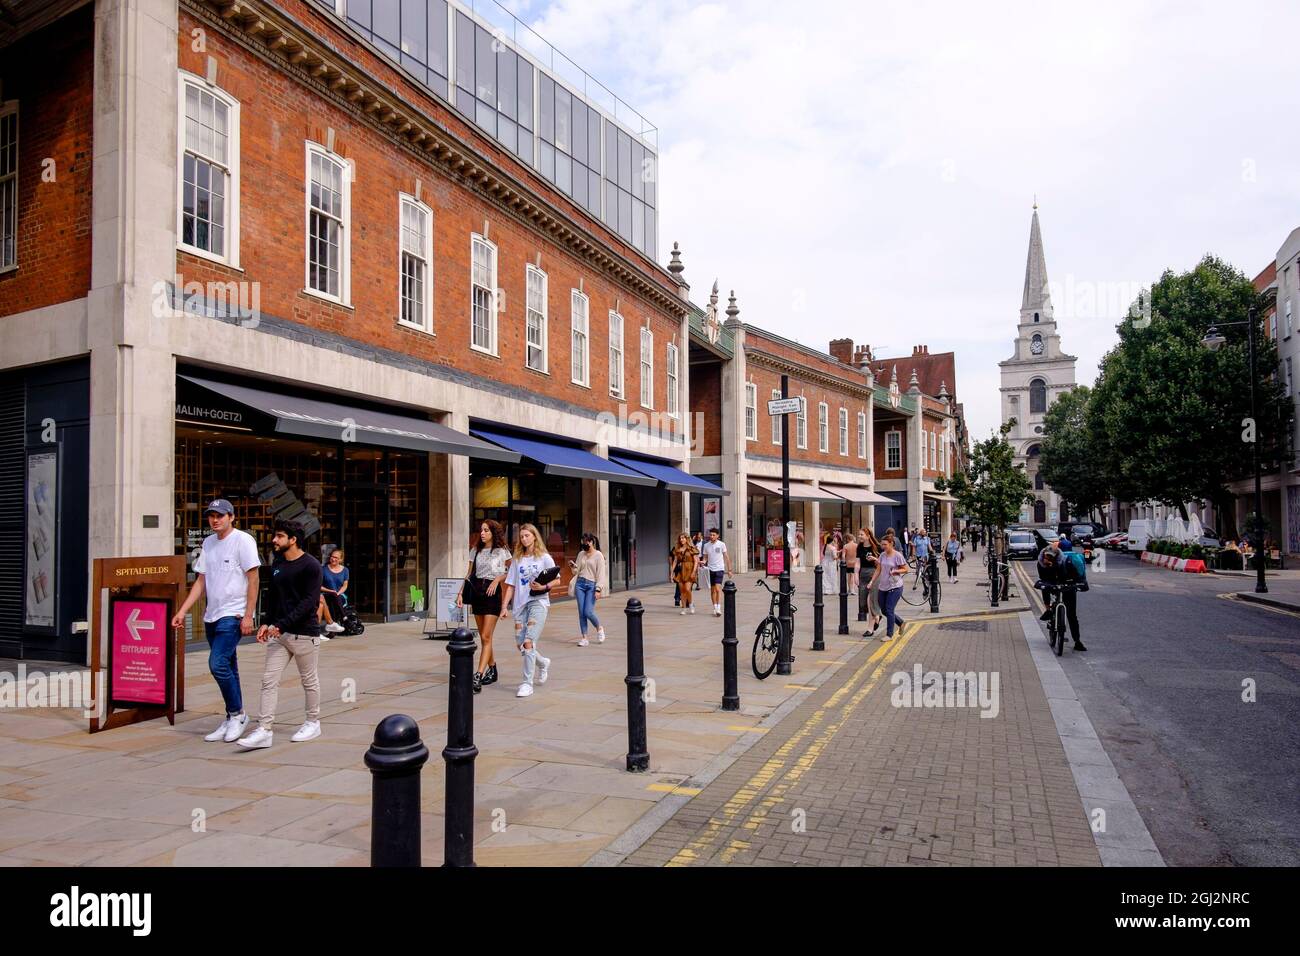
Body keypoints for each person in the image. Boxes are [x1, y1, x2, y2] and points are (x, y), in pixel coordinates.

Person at [172, 499, 260, 744]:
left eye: (220, 515)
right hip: (212, 614)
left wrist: (248, 615)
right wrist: (183, 611)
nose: (215, 520)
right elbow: (201, 581)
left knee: (217, 663)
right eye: (211, 515)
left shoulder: (243, 541)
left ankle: (237, 714)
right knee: (229, 666)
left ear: (231, 517)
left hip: (232, 614)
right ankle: (233, 716)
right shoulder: (208, 543)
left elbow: (253, 580)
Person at [237, 518, 323, 748]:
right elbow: (273, 598)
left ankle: (313, 722)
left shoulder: (311, 566)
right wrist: (266, 623)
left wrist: (281, 624)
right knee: (268, 681)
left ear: (293, 540)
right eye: (275, 535)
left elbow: (308, 602)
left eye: (280, 536)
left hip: (304, 634)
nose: (274, 540)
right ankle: (264, 729)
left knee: (309, 681)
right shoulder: (277, 563)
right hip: (279, 635)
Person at [501, 523, 558, 698]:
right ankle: (542, 663)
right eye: (522, 536)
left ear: (534, 536)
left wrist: (544, 586)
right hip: (520, 606)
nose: (524, 539)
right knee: (521, 645)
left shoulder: (544, 557)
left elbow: (557, 579)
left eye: (527, 535)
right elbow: (510, 585)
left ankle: (527, 683)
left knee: (528, 641)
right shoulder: (517, 559)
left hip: (538, 603)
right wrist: (504, 606)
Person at [456, 520, 511, 694]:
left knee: (486, 636)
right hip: (477, 592)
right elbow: (469, 574)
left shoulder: (503, 552)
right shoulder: (476, 550)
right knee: (484, 637)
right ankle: (492, 668)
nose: (482, 533)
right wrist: (459, 593)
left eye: (486, 530)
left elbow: (511, 571)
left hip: (492, 594)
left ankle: (478, 675)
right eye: (481, 530)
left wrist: (497, 579)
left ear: (493, 532)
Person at [1036, 533, 1087, 652]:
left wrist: (1075, 584)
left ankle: (1077, 641)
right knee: (1045, 587)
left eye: (1050, 558)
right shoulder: (1041, 564)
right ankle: (1049, 610)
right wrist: (1047, 569)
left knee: (1071, 614)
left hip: (1067, 582)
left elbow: (1074, 578)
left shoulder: (1065, 562)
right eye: (1046, 558)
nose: (1047, 560)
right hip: (1051, 581)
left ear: (1056, 557)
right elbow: (1043, 579)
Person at [868, 528, 909, 641]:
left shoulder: (897, 556)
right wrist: (872, 582)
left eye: (885, 544)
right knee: (884, 610)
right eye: (882, 544)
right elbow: (878, 570)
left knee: (889, 609)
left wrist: (896, 571)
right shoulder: (882, 555)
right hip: (883, 586)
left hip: (895, 587)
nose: (883, 546)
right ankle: (900, 622)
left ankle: (889, 635)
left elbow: (906, 569)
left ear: (891, 544)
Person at [571, 532, 606, 645]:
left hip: (591, 585)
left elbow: (601, 574)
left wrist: (598, 589)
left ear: (591, 542)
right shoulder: (581, 554)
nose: (584, 545)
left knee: (588, 611)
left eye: (586, 542)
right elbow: (576, 571)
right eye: (583, 542)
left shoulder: (598, 555)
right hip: (580, 584)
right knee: (581, 613)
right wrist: (573, 567)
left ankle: (599, 628)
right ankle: (584, 638)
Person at [701, 526, 732, 616]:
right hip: (710, 569)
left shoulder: (722, 544)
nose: (711, 536)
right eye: (710, 535)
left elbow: (726, 557)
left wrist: (729, 570)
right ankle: (714, 607)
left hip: (719, 569)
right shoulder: (706, 545)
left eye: (713, 535)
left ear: (717, 536)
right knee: (712, 590)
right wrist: (703, 562)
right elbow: (705, 558)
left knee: (718, 589)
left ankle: (718, 608)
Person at [859, 528, 884, 635]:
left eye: (861, 534)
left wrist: (874, 558)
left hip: (875, 573)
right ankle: (877, 616)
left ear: (868, 536)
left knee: (871, 602)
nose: (859, 536)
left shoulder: (877, 547)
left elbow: (882, 564)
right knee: (863, 602)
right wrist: (855, 575)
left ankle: (870, 629)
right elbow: (857, 562)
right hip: (863, 574)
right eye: (859, 534)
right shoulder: (859, 547)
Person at [320, 548, 349, 636]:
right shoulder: (323, 569)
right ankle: (344, 617)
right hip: (326, 594)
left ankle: (332, 630)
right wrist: (331, 591)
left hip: (340, 595)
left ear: (341, 559)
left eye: (336, 557)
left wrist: (338, 592)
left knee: (335, 598)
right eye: (332, 557)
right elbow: (319, 586)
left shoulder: (345, 570)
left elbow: (345, 585)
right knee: (333, 596)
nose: (333, 559)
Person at [670, 532, 700, 615]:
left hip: (689, 569)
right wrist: (671, 572)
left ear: (687, 539)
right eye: (680, 538)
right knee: (682, 591)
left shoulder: (692, 548)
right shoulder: (678, 548)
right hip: (680, 570)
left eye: (683, 538)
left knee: (687, 589)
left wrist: (694, 572)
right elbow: (675, 561)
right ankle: (683, 608)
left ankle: (690, 604)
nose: (681, 540)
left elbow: (696, 561)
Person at [842, 531, 858, 597]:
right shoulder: (857, 546)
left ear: (847, 539)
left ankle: (849, 589)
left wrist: (843, 562)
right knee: (853, 576)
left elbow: (843, 556)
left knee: (849, 576)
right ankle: (853, 589)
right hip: (855, 563)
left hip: (848, 563)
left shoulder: (845, 546)